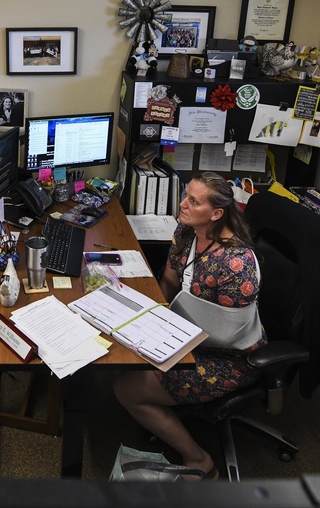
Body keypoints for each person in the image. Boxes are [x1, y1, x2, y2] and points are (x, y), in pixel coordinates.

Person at [113, 172, 267, 480]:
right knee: (119, 351)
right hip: (185, 337)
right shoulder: (185, 233)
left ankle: (199, 460)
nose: (182, 204)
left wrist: (163, 337)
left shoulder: (236, 264)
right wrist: (148, 316)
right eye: (185, 195)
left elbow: (228, 332)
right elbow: (170, 282)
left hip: (229, 358)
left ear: (217, 213)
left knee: (125, 388)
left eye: (193, 201)